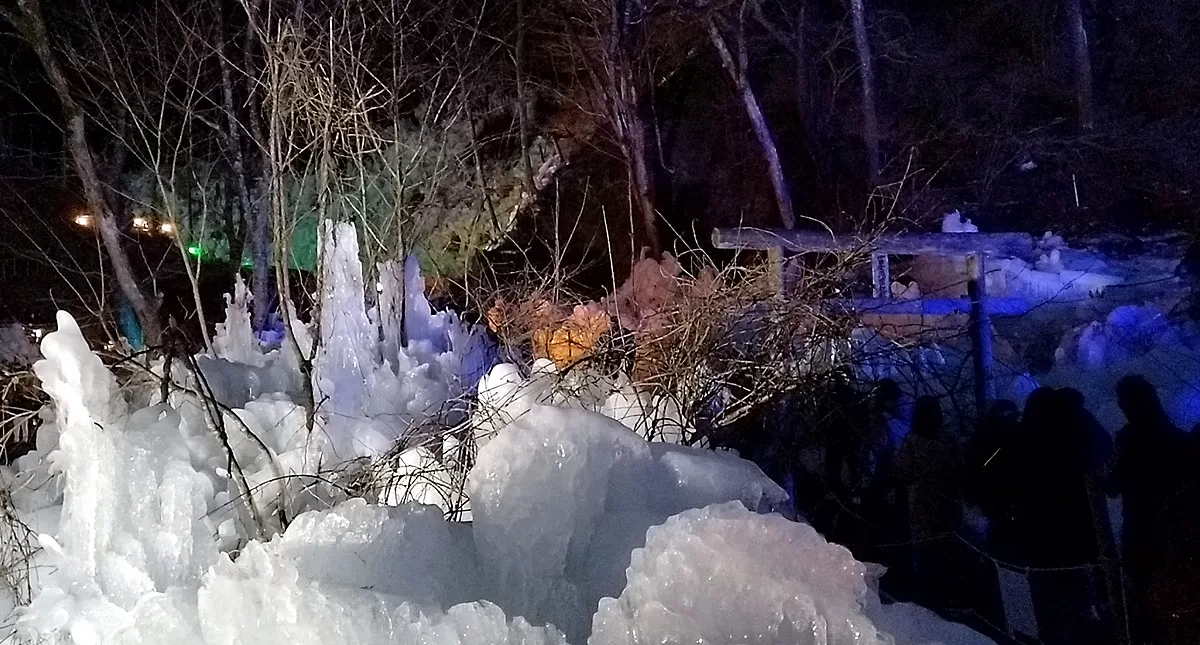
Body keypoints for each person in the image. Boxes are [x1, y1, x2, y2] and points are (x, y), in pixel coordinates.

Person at [1109, 375, 1186, 644]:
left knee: (1148, 598)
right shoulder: (1176, 437)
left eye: (1123, 403)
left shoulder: (1129, 440)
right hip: (1173, 530)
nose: (1121, 408)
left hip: (1144, 529)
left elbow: (1112, 485)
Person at [894, 396, 963, 606]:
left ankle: (925, 596)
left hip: (921, 502)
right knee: (944, 550)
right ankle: (946, 592)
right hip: (947, 501)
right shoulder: (948, 441)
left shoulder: (912, 442)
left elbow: (899, 470)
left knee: (924, 550)